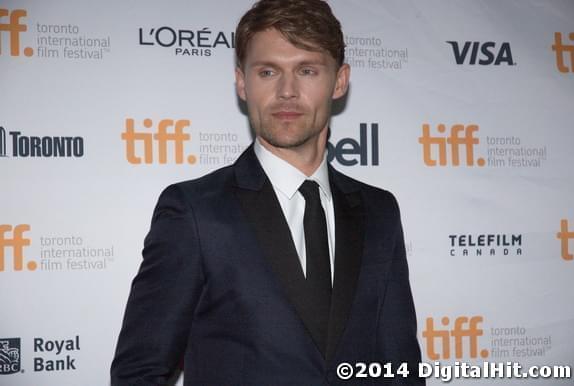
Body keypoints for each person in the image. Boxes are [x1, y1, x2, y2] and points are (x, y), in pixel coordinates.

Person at [111, 0, 424, 384]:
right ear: (242, 82)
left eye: (307, 70)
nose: (287, 91)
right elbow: (140, 371)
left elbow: (400, 367)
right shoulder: (195, 212)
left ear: (339, 80)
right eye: (268, 71)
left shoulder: (380, 210)